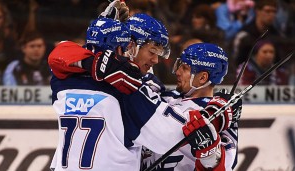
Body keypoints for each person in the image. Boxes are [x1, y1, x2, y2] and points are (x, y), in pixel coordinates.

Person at [48, 14, 237, 170]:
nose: (156, 60)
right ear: (130, 46)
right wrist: (213, 118)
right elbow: (173, 136)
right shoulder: (128, 91)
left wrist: (101, 46)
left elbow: (60, 53)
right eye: (152, 51)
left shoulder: (62, 80)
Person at [141, 43, 242, 171]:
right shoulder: (167, 96)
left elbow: (225, 166)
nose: (177, 72)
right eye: (179, 66)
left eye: (184, 68)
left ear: (202, 78)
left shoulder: (216, 115)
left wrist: (211, 153)